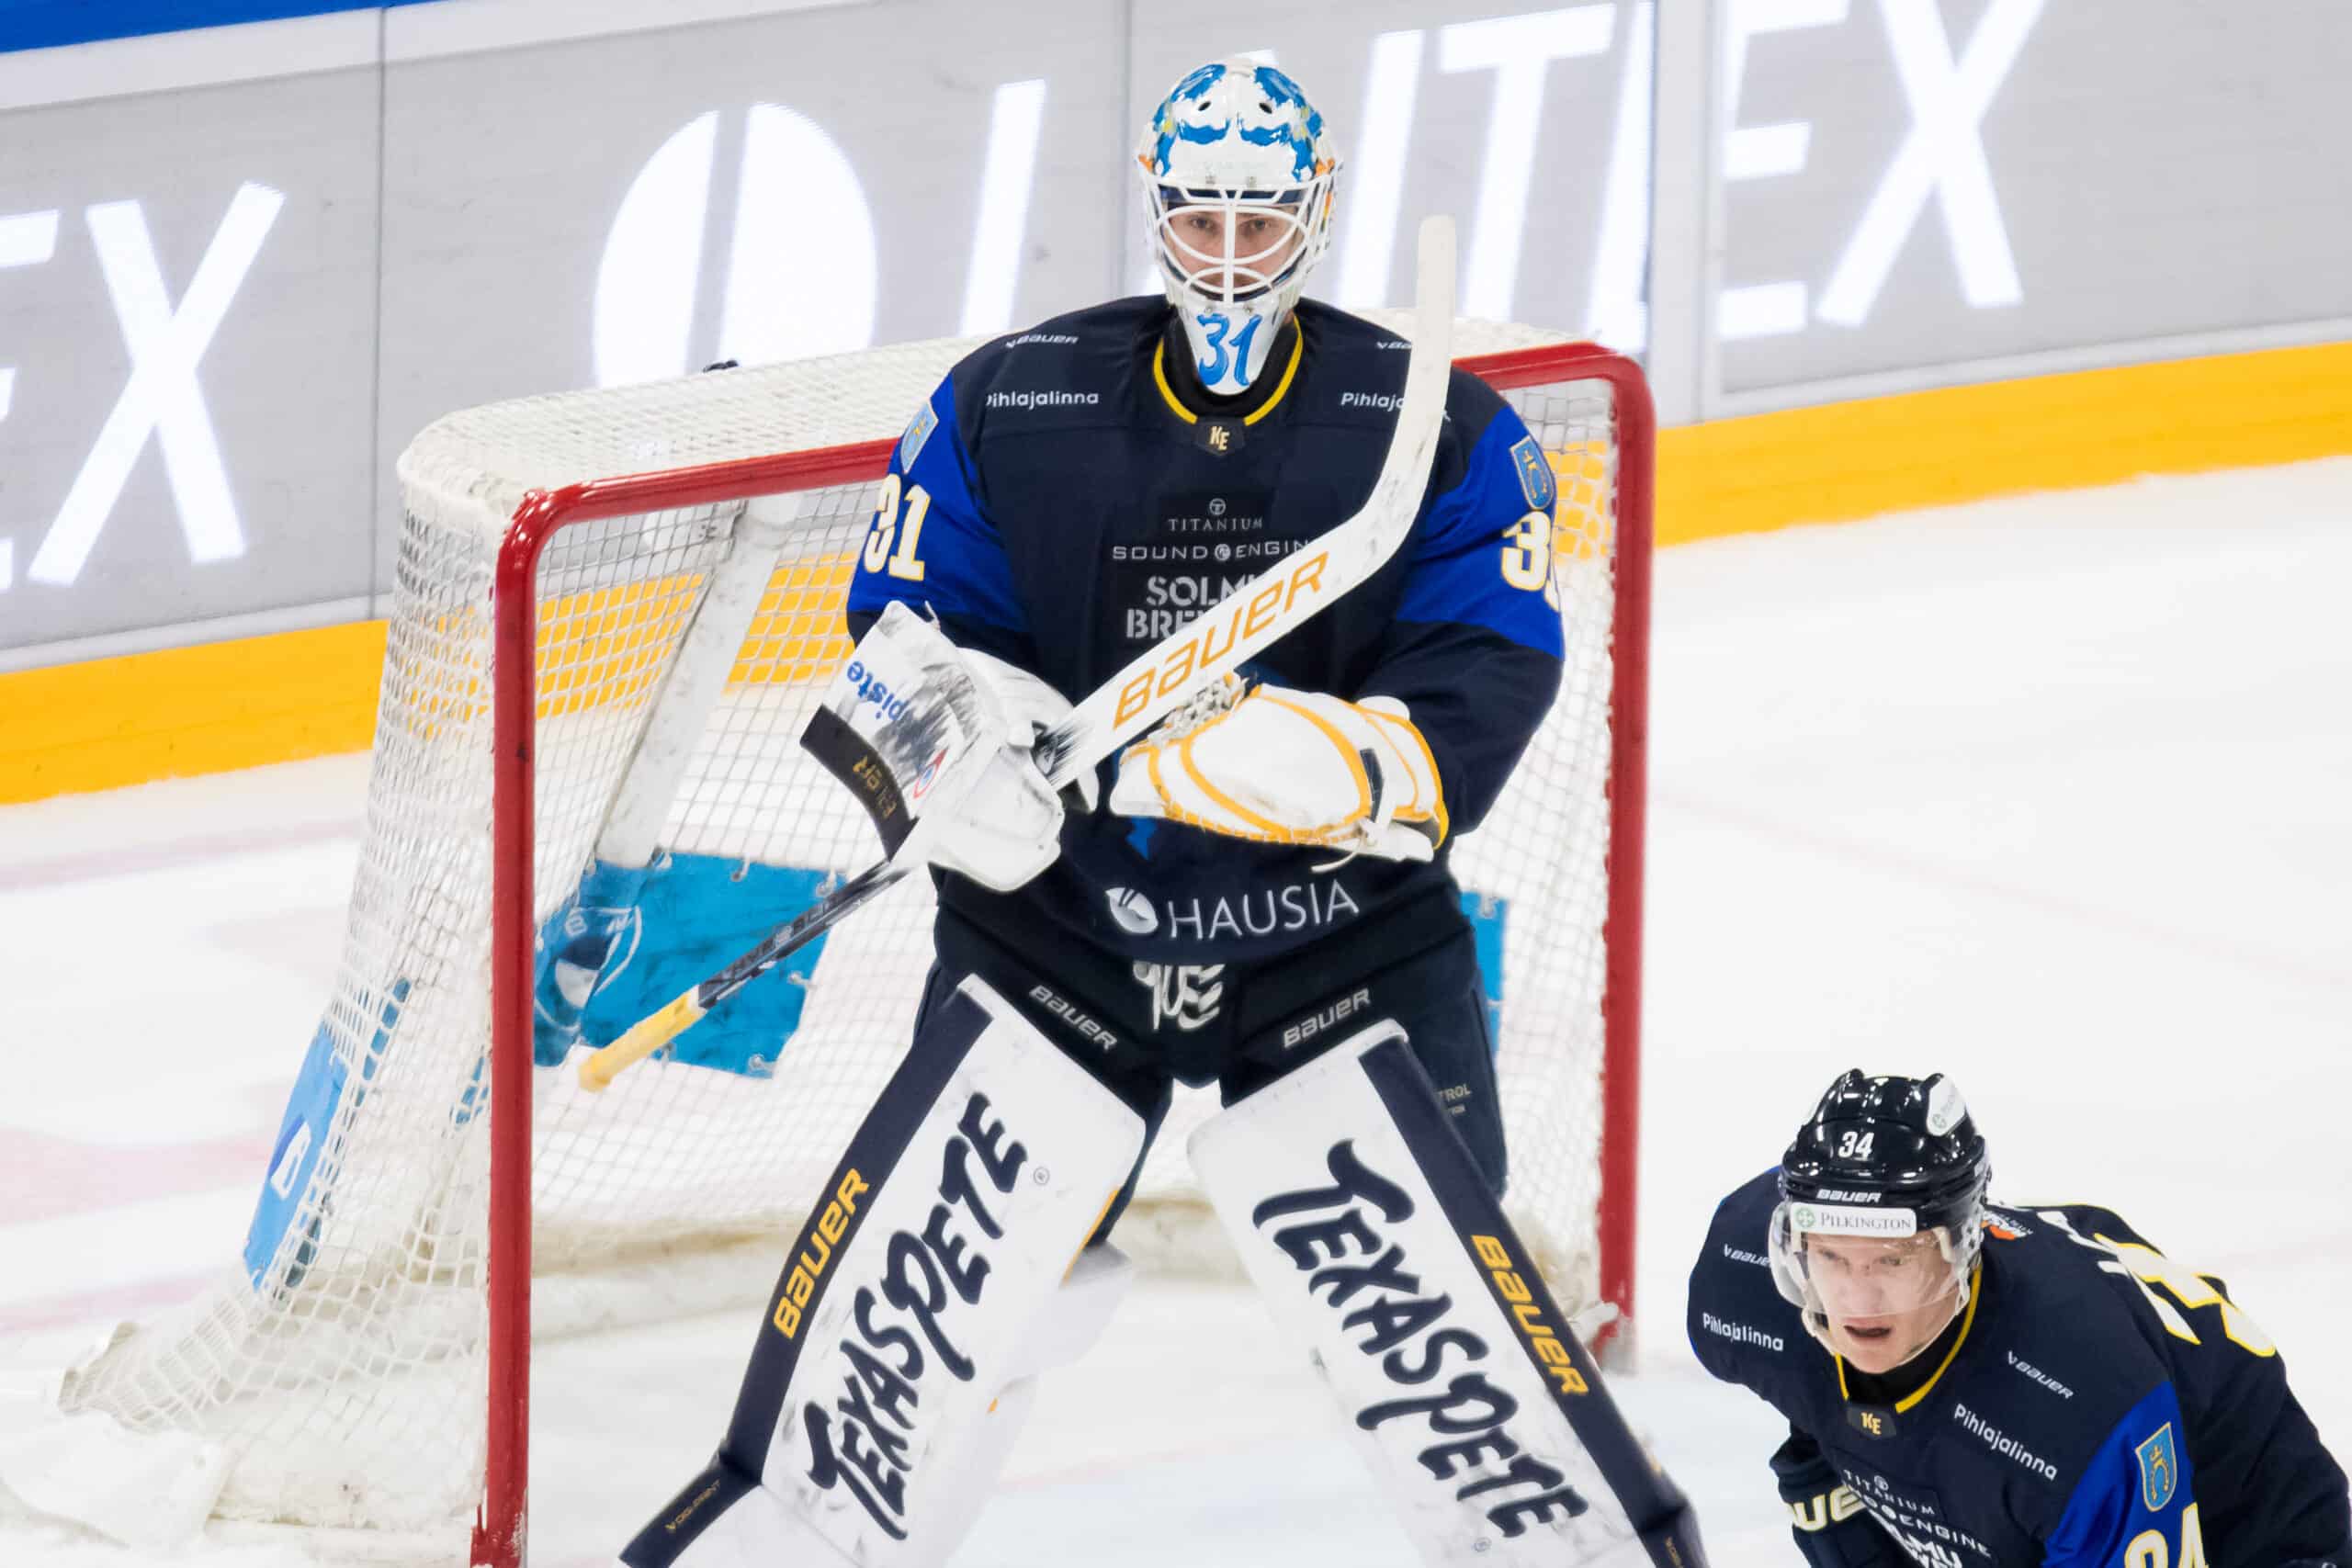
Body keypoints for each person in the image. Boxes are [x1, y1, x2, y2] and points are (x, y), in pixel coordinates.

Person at [616, 56, 1703, 1568]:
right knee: (954, 1315)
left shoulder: (1433, 428)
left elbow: (1489, 669)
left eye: (1264, 224)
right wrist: (958, 749)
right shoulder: (1014, 400)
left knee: (1441, 1334)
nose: (1233, 257)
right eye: (1204, 220)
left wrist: (1347, 762)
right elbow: (904, 636)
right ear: (1159, 213)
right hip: (1056, 947)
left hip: (1341, 954)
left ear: (1315, 214)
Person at [1689, 1069, 2350, 1567]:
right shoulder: (1741, 1277)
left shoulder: (2079, 1406)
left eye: (1892, 1261)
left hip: (2248, 1528)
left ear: (1962, 1246)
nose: (1857, 1302)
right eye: (1832, 1256)